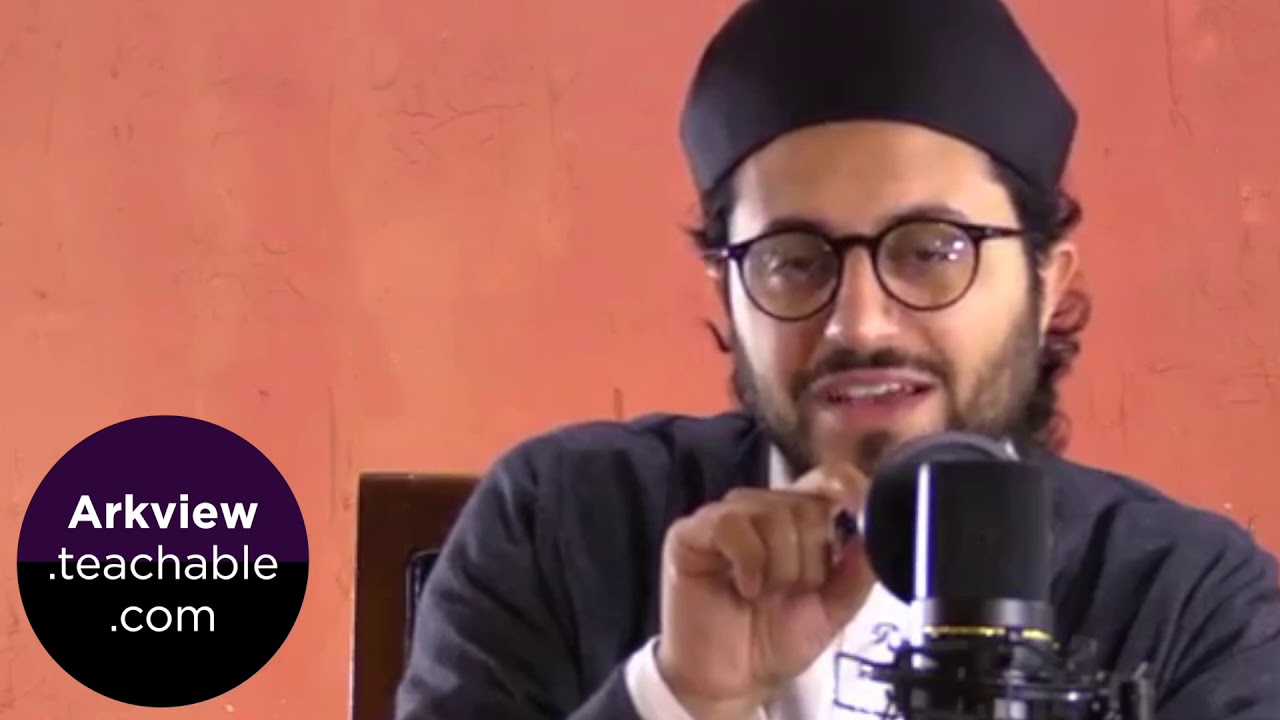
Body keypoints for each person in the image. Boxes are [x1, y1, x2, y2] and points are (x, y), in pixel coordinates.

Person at [393, 0, 1280, 718]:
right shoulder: (561, 523)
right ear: (728, 293)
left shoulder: (1192, 599)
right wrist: (680, 698)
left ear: (1047, 284)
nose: (858, 323)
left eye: (931, 250)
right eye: (794, 261)